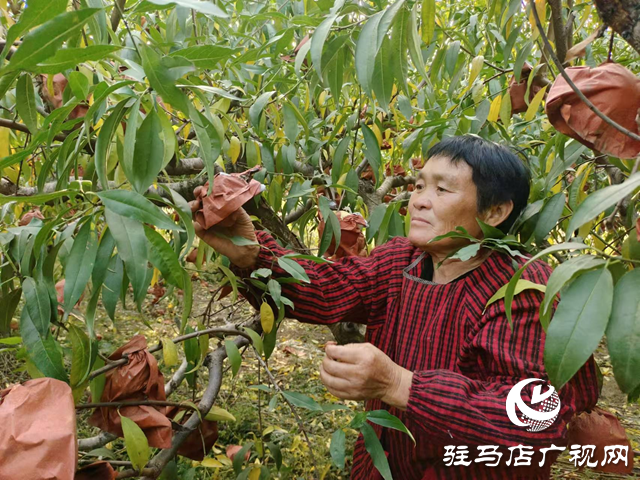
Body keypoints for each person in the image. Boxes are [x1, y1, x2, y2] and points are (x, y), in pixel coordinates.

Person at [192, 135, 599, 479]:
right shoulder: (401, 259)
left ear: (494, 211)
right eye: (420, 185)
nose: (419, 200)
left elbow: (534, 420)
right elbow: (327, 290)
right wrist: (251, 253)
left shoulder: (524, 292)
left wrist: (399, 385)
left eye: (442, 189)